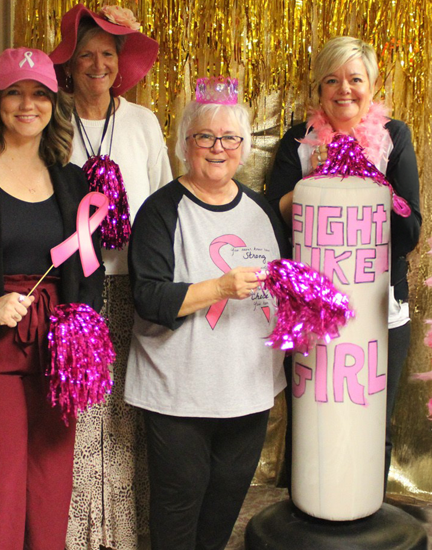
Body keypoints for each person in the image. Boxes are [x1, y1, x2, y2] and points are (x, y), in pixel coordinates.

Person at [0, 48, 104, 550]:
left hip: (58, 356)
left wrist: (82, 329)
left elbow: (85, 266)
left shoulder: (70, 177)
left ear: (54, 102)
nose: (27, 104)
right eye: (14, 92)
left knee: (51, 493)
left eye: (39, 93)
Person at [126, 82, 289, 550]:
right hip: (181, 395)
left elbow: (279, 285)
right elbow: (149, 298)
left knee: (223, 506)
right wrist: (219, 288)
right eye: (205, 137)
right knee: (178, 511)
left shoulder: (260, 209)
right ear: (184, 145)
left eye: (229, 138)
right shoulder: (161, 211)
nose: (218, 148)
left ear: (243, 148)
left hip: (249, 391)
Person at [264, 36, 422, 483]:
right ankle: (306, 506)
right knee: (312, 412)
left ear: (372, 86)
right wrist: (320, 178)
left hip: (379, 300)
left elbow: (410, 231)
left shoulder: (395, 138)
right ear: (319, 90)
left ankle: (368, 507)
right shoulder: (298, 139)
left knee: (373, 414)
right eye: (332, 80)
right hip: (313, 303)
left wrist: (365, 173)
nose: (344, 90)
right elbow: (275, 217)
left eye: (355, 79)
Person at [49, 4, 171, 548]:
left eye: (107, 54)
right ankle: (78, 533)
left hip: (136, 286)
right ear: (69, 65)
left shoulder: (143, 122)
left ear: (119, 63)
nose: (97, 64)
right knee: (77, 411)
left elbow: (167, 204)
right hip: (74, 290)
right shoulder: (50, 120)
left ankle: (124, 532)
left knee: (127, 409)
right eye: (85, 55)